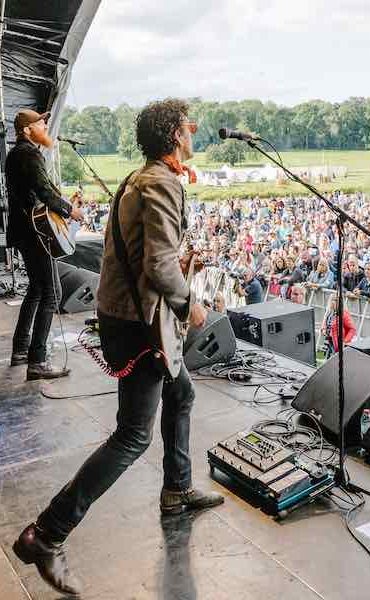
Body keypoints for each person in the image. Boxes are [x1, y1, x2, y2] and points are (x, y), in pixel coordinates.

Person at [12, 99, 224, 597]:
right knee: (131, 436)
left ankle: (176, 489)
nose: (193, 133)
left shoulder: (139, 178)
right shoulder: (162, 184)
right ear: (175, 133)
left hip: (128, 318)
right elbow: (158, 269)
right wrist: (191, 303)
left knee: (183, 394)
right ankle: (46, 534)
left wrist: (176, 262)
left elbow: (147, 254)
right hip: (141, 327)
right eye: (189, 127)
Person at [5, 109, 84, 379]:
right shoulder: (28, 153)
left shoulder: (19, 154)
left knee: (37, 290)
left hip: (25, 231)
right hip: (34, 233)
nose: (45, 125)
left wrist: (63, 202)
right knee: (53, 293)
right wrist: (68, 209)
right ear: (27, 129)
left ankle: (21, 350)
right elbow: (43, 191)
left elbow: (39, 190)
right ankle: (37, 361)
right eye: (40, 123)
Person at [321, 294, 357, 358]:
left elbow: (352, 329)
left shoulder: (344, 314)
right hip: (330, 342)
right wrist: (323, 329)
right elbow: (325, 322)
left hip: (339, 345)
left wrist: (345, 341)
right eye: (332, 300)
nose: (332, 302)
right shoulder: (330, 312)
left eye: (335, 300)